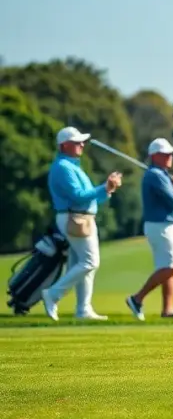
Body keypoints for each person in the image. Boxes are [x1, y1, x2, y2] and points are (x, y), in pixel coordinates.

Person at [41, 126, 123, 322]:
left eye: (82, 141)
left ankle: (83, 309)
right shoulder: (63, 168)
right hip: (74, 219)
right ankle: (53, 295)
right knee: (90, 262)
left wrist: (108, 189)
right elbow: (78, 197)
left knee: (83, 264)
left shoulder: (73, 166)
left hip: (82, 218)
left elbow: (90, 199)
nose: (82, 145)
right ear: (64, 145)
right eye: (77, 142)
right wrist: (104, 186)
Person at [126, 137, 173, 321]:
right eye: (166, 154)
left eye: (171, 154)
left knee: (167, 268)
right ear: (155, 156)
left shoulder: (162, 175)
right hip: (161, 226)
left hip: (166, 226)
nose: (170, 157)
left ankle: (168, 310)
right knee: (171, 268)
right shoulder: (155, 175)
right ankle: (137, 299)